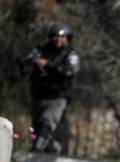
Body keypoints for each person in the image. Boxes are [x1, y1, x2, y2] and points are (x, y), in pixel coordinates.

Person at [20, 22, 79, 154]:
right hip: (38, 95)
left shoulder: (70, 55)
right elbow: (26, 64)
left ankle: (35, 155)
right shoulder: (40, 51)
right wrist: (28, 66)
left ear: (67, 39)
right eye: (55, 36)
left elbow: (69, 72)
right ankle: (51, 149)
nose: (58, 40)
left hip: (57, 97)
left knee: (45, 125)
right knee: (37, 130)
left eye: (62, 37)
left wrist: (47, 65)